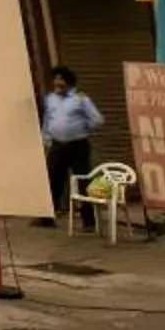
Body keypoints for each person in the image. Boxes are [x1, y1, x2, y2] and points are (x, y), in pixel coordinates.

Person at [39, 65, 103, 224]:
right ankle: (47, 217)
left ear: (69, 83)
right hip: (57, 145)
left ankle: (88, 219)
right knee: (53, 179)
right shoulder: (50, 99)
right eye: (55, 80)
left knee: (83, 180)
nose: (57, 84)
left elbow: (97, 119)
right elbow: (48, 120)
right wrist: (46, 138)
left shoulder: (81, 99)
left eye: (61, 81)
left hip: (77, 145)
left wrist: (83, 129)